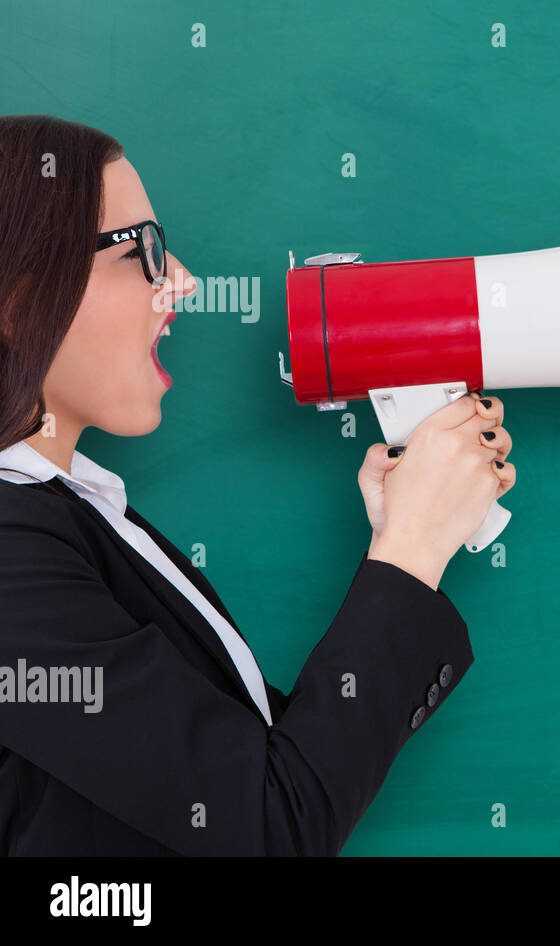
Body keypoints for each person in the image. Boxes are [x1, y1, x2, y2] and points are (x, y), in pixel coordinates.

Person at [0, 115, 516, 855]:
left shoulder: (69, 517)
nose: (182, 282)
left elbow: (251, 775)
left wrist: (404, 545)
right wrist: (408, 553)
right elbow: (268, 827)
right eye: (140, 250)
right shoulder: (11, 555)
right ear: (19, 306)